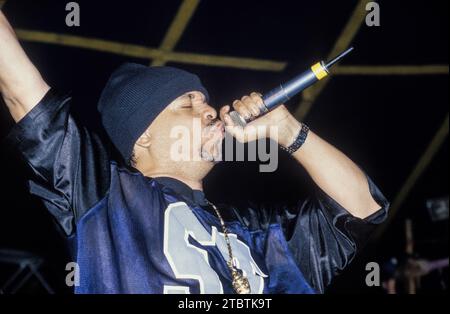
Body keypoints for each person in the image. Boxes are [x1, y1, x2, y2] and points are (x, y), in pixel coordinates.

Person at [0, 11, 389, 294]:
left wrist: (288, 131)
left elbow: (362, 208)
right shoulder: (104, 200)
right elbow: (19, 86)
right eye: (187, 104)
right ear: (144, 136)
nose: (209, 110)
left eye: (204, 101)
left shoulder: (254, 233)